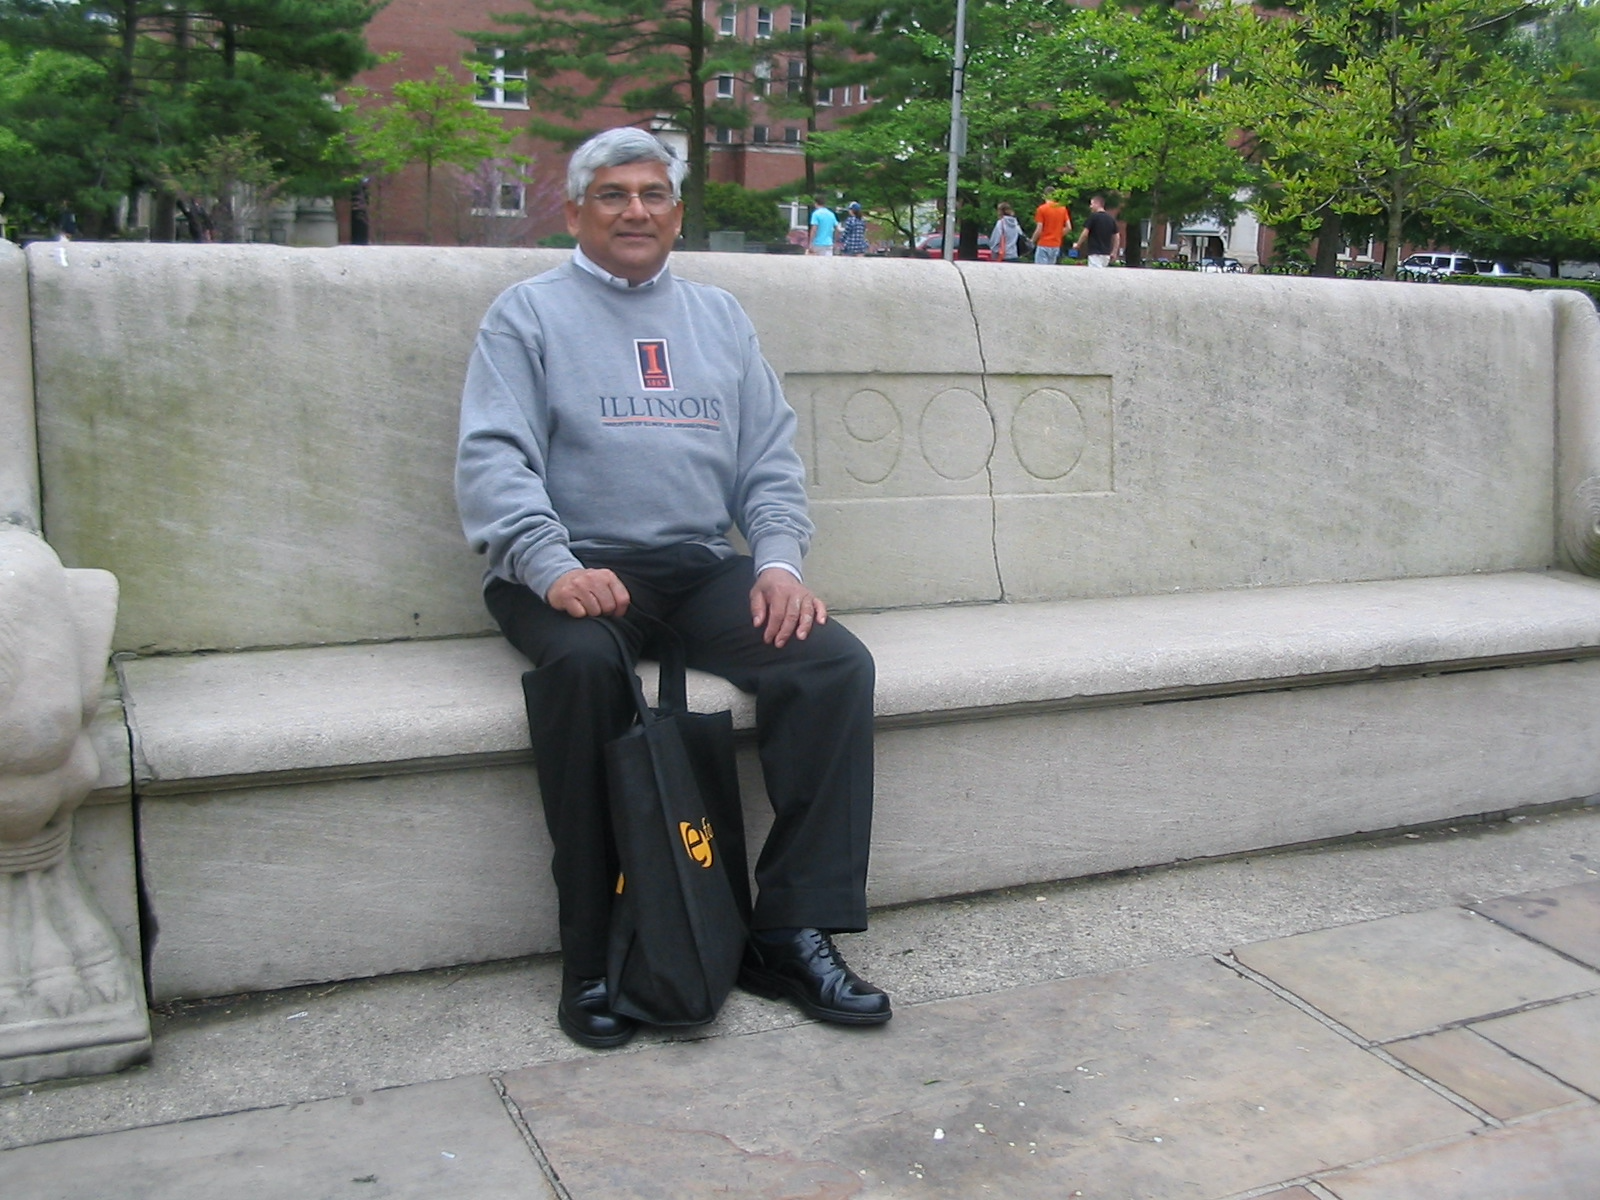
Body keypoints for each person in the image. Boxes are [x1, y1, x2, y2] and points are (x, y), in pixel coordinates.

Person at [456, 127, 889, 1051]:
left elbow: (768, 464)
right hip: (566, 567)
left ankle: (787, 929)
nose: (636, 210)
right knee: (583, 675)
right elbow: (495, 462)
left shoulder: (720, 318)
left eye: (653, 193)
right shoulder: (526, 315)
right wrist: (552, 565)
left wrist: (776, 563)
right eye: (612, 195)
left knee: (830, 664)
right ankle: (591, 956)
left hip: (693, 567)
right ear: (574, 212)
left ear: (677, 211)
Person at [1074, 195, 1120, 268]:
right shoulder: (1111, 219)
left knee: (1094, 276)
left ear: (1097, 204)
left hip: (1095, 253)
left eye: (1092, 204)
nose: (1090, 206)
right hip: (1106, 254)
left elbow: (1085, 234)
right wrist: (1114, 252)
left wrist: (1078, 244)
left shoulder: (1093, 217)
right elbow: (1117, 236)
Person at [1031, 194, 1072, 265]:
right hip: (1056, 244)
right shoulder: (1062, 208)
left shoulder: (1041, 209)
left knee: (1040, 270)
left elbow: (1039, 229)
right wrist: (1058, 235)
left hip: (1043, 243)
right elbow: (1069, 227)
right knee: (1051, 270)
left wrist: (1032, 241)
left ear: (1044, 196)